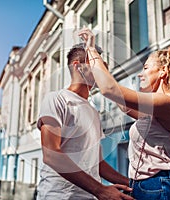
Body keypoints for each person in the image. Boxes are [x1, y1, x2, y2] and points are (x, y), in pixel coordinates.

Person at [78, 28, 170, 199]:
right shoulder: (155, 109)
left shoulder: (169, 103)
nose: (140, 74)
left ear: (163, 71)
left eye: (146, 68)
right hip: (143, 187)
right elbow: (122, 104)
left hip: (159, 187)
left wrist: (92, 49)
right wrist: (98, 69)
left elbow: (110, 90)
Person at [37, 43, 133, 200]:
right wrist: (101, 190)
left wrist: (130, 183)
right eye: (96, 65)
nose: (103, 71)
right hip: (59, 196)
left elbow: (98, 163)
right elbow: (51, 154)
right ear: (78, 66)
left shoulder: (93, 111)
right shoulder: (56, 99)